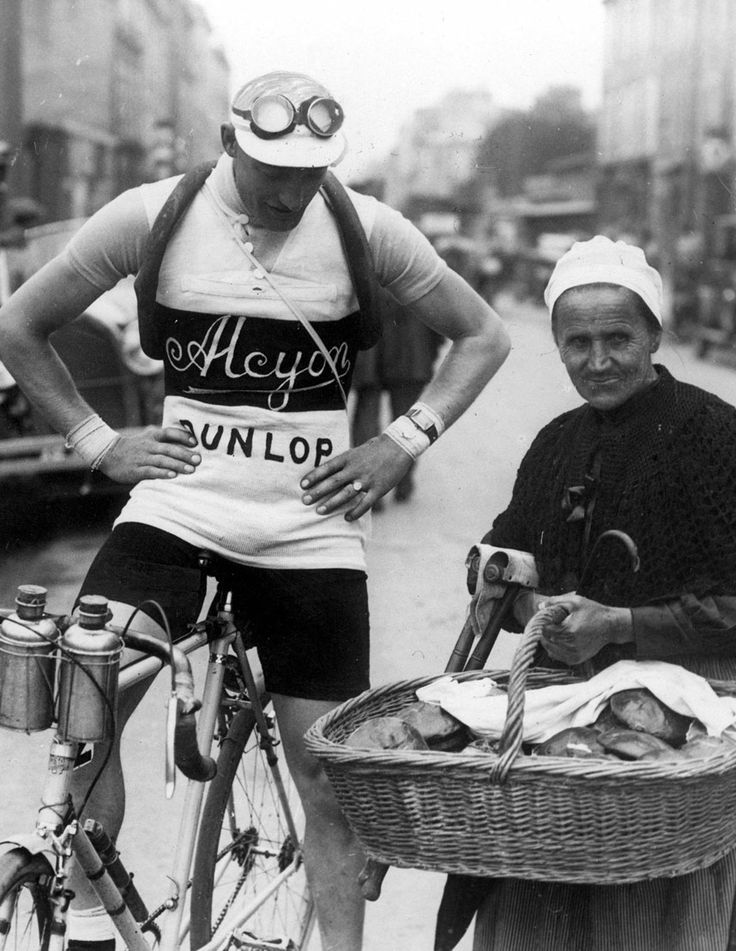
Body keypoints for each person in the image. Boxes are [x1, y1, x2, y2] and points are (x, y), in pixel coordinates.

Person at [0, 71, 511, 951]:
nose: (290, 191)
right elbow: (19, 325)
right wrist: (96, 440)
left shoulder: (366, 227)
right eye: (273, 169)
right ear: (230, 145)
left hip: (309, 532)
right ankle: (88, 916)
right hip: (177, 513)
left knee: (329, 778)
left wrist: (404, 440)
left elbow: (484, 334)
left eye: (310, 173)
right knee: (85, 712)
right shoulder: (151, 215)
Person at [470, 235, 736, 950]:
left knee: (647, 918)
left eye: (617, 338)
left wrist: (620, 621)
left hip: (683, 720)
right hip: (563, 723)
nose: (598, 360)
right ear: (556, 344)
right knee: (532, 909)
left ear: (654, 332)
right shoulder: (557, 442)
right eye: (576, 342)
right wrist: (523, 598)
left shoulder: (711, 435)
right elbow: (505, 555)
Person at [350, 291, 443, 503]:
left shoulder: (367, 266)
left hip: (371, 355)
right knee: (410, 424)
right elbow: (440, 323)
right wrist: (429, 353)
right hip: (411, 357)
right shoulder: (420, 268)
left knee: (366, 416)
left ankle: (368, 488)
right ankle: (403, 482)